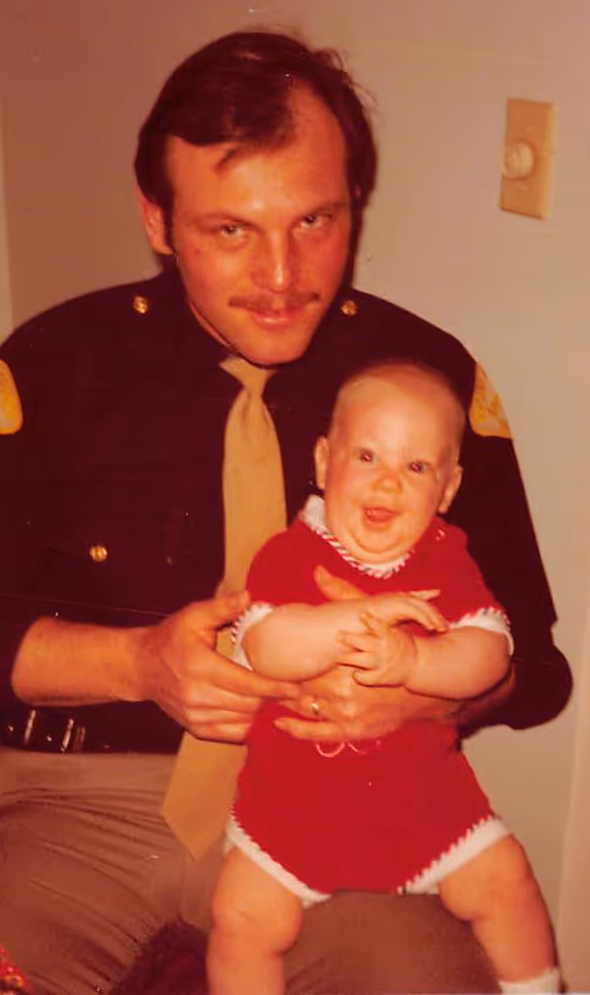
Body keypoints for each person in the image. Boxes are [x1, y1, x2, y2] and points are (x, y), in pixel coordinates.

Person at [0, 29, 571, 995]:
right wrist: (134, 663)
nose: (282, 275)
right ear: (157, 221)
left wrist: (433, 693)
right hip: (81, 804)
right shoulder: (49, 369)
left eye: (314, 222)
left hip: (357, 798)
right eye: (229, 230)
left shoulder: (427, 385)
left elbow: (537, 662)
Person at [207, 361, 560, 995]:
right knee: (240, 919)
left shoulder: (446, 560)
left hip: (425, 810)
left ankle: (537, 988)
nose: (388, 482)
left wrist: (417, 663)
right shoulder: (290, 554)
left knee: (507, 878)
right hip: (291, 816)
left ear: (447, 489)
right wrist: (357, 617)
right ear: (323, 463)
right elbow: (266, 646)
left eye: (416, 467)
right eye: (366, 455)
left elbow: (491, 651)